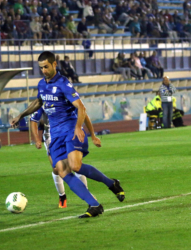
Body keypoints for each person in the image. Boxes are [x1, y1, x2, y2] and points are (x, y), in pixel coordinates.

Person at [11, 51, 125, 218]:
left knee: (75, 166)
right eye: (41, 67)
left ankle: (111, 183)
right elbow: (39, 102)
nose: (44, 70)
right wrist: (21, 115)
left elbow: (81, 108)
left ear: (54, 64)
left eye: (46, 67)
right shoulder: (42, 84)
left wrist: (81, 128)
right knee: (61, 170)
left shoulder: (64, 84)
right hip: (55, 134)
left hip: (70, 127)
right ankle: (95, 205)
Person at [31, 106, 105, 208]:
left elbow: (82, 113)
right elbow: (33, 120)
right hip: (51, 137)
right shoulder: (43, 99)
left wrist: (92, 135)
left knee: (76, 165)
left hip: (69, 133)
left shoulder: (67, 97)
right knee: (57, 169)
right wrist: (37, 139)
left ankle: (88, 195)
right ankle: (62, 195)